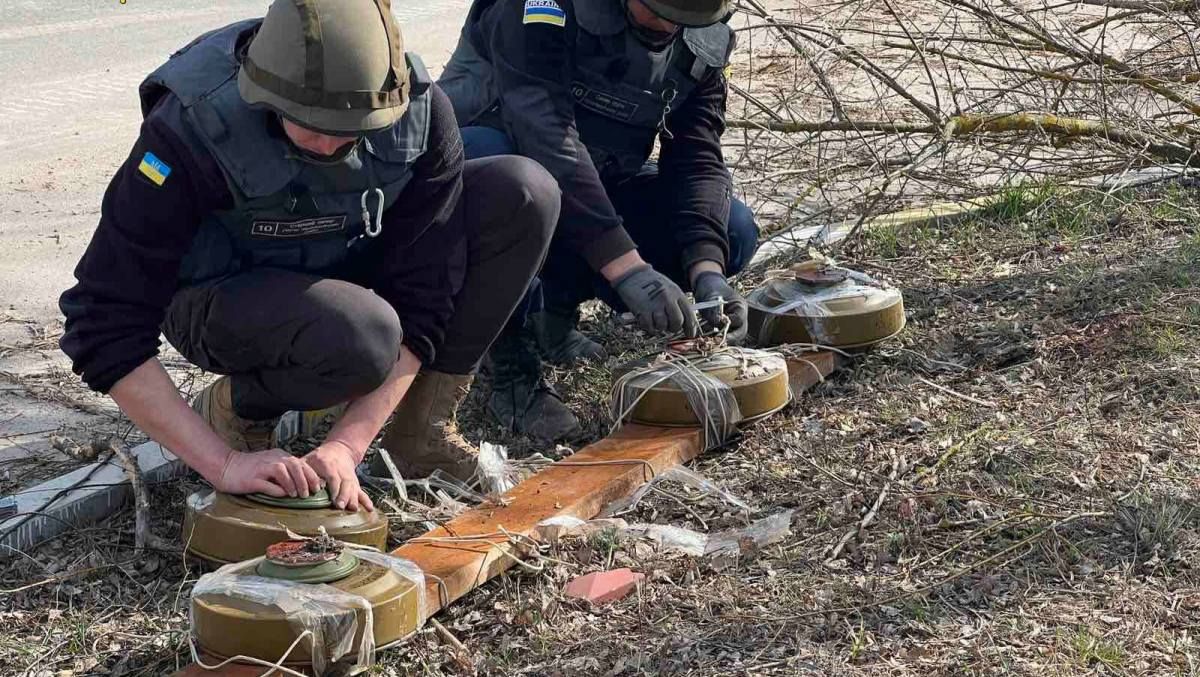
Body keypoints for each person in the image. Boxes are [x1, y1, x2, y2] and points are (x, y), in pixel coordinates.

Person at [58, 0, 560, 512]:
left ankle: (418, 432)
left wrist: (347, 443)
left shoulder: (421, 114)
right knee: (363, 335)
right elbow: (102, 321)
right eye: (308, 125)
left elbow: (425, 297)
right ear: (265, 96)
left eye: (353, 128)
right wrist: (222, 464)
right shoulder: (190, 129)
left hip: (343, 265)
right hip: (222, 297)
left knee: (521, 192)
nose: (328, 145)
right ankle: (238, 412)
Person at [438, 0, 757, 441]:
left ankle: (554, 311)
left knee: (733, 230)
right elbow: (545, 132)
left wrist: (708, 270)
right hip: (495, 179)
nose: (668, 27)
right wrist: (629, 269)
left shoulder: (698, 33)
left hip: (593, 185)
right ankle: (510, 368)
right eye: (658, 11)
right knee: (520, 186)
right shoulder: (538, 7)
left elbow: (697, 157)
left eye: (685, 20)